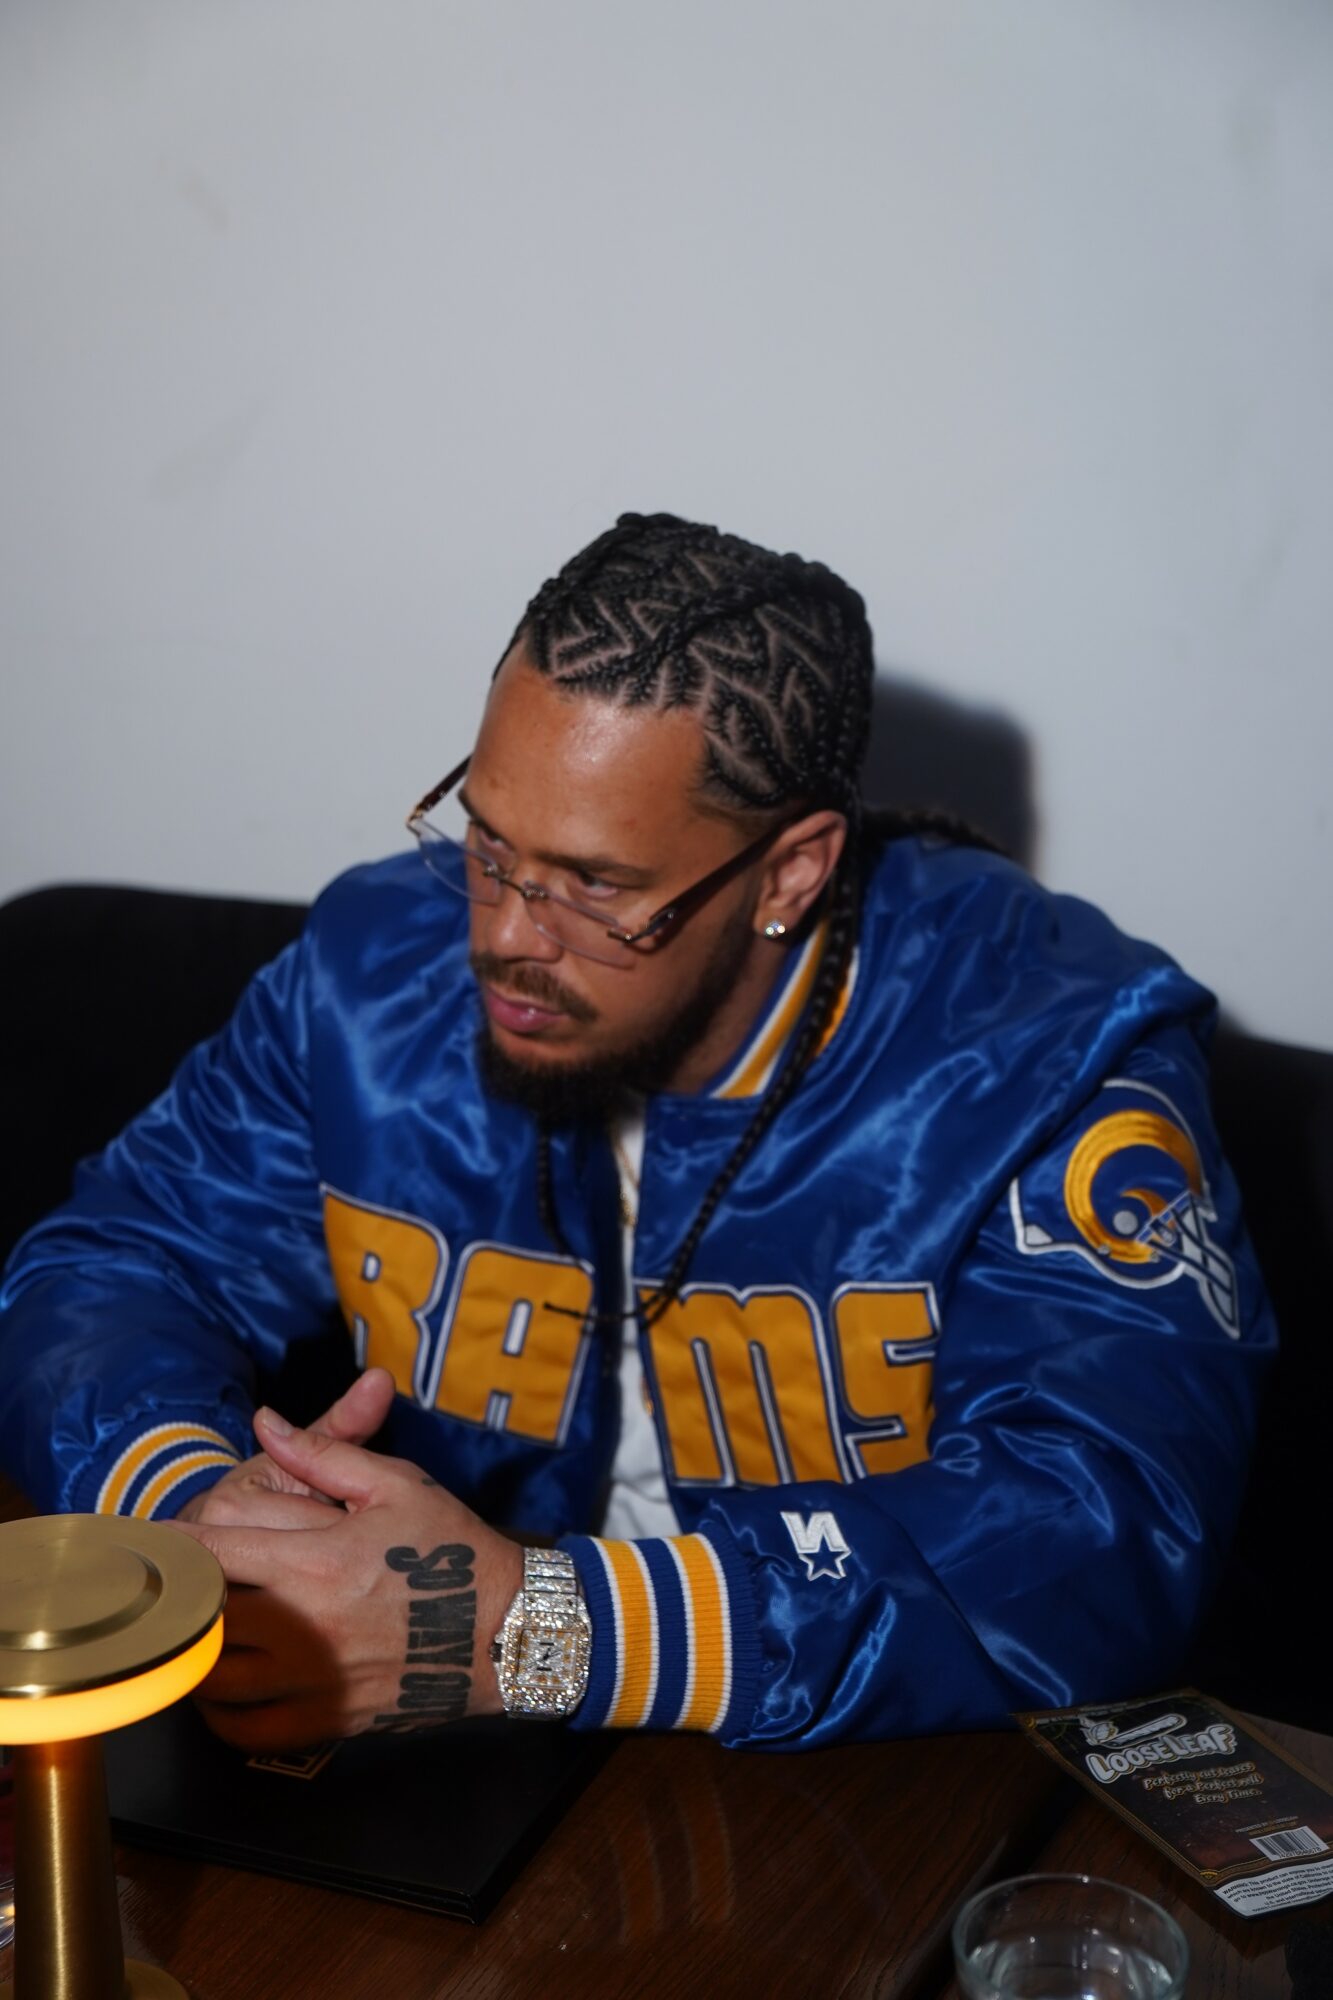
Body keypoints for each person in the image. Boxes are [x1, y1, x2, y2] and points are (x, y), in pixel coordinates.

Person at [0, 512, 1274, 1752]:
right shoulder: (369, 975)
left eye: (597, 886)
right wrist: (189, 1506)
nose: (502, 934)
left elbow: (1101, 1525)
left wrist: (531, 1627)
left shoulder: (1044, 1053)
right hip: (434, 1759)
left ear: (789, 871)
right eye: (488, 844)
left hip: (866, 1782)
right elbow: (117, 1262)